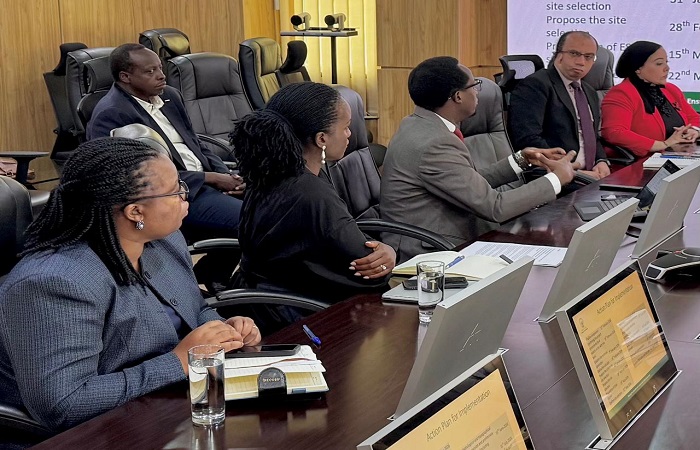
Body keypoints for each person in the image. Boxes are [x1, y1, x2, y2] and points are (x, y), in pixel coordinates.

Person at [0, 138, 261, 432]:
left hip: (166, 408)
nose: (185, 196)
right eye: (176, 191)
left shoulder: (163, 241)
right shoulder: (54, 282)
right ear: (135, 212)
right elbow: (64, 405)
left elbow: (195, 309)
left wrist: (223, 330)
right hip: (95, 433)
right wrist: (178, 362)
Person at [380, 56, 579, 261]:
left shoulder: (418, 123)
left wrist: (521, 159)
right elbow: (496, 207)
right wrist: (556, 179)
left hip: (449, 232)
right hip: (433, 251)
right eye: (474, 85)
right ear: (458, 96)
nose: (477, 92)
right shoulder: (434, 143)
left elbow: (468, 182)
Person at [229, 82, 396, 321]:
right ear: (321, 138)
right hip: (294, 317)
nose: (349, 134)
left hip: (259, 305)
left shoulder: (269, 171)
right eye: (346, 127)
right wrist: (388, 253)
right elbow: (368, 270)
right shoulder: (312, 193)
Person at [87, 44, 244, 289]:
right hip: (174, 194)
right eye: (150, 72)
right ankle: (213, 278)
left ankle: (215, 277)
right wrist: (209, 178)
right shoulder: (112, 113)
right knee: (251, 220)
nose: (161, 76)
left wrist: (227, 176)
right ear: (126, 77)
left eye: (160, 68)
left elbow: (195, 144)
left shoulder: (170, 96)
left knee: (273, 206)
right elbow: (135, 178)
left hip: (207, 182)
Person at [509, 31, 610, 181]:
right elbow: (528, 139)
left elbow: (591, 136)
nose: (581, 62)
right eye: (574, 54)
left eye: (588, 57)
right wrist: (569, 170)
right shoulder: (535, 85)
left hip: (590, 176)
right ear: (559, 55)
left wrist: (601, 161)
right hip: (555, 176)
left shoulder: (589, 91)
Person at [601, 40, 700, 157]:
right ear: (638, 68)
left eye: (666, 62)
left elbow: (694, 117)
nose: (667, 68)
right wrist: (662, 144)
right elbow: (614, 133)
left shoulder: (670, 89)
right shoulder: (621, 93)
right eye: (659, 63)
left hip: (679, 157)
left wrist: (694, 130)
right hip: (643, 161)